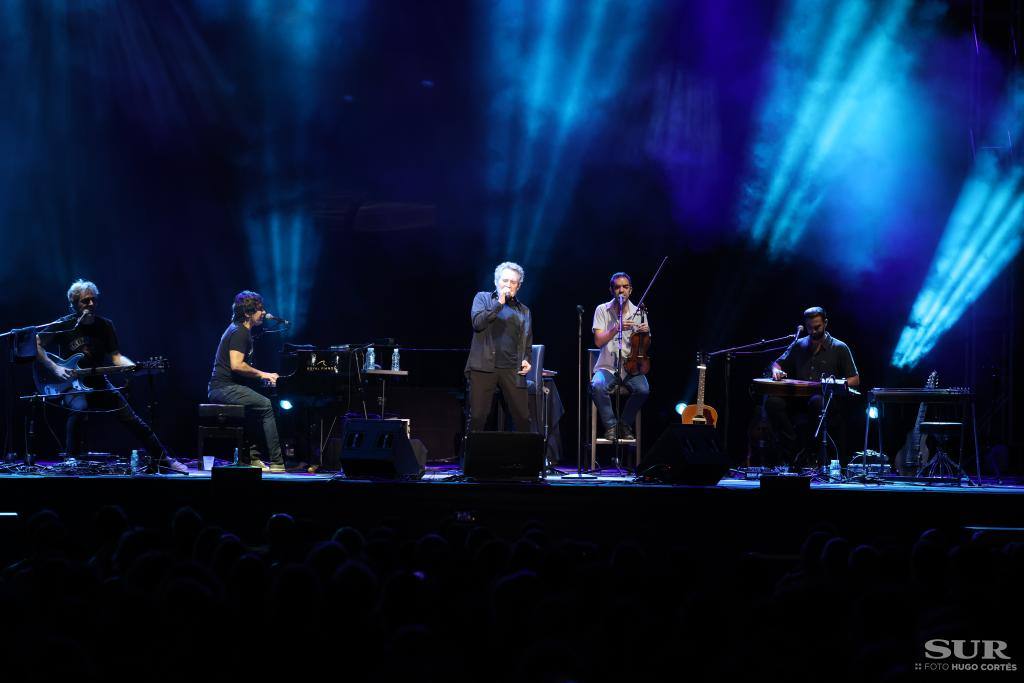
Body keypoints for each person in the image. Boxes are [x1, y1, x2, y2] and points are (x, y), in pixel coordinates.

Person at [35, 279, 187, 474]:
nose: (91, 304)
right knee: (79, 408)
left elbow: (116, 358)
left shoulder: (105, 326)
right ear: (73, 304)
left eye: (93, 300)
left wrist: (133, 367)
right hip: (71, 383)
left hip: (98, 381)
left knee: (131, 417)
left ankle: (162, 458)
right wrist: (54, 367)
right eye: (85, 301)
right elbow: (36, 342)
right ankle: (71, 459)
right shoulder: (64, 325)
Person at [766, 306, 859, 465]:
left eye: (817, 327)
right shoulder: (799, 345)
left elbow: (855, 379)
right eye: (809, 328)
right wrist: (776, 371)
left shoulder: (839, 347)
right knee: (772, 402)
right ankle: (793, 444)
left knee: (816, 402)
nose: (813, 331)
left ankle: (809, 450)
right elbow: (778, 363)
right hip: (798, 399)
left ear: (826, 323)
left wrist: (833, 383)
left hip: (824, 400)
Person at [207, 290, 285, 471]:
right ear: (248, 313)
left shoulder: (240, 330)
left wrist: (262, 378)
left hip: (227, 387)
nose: (264, 313)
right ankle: (277, 462)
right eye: (260, 309)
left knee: (258, 406)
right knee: (265, 405)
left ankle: (253, 458)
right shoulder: (240, 332)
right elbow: (237, 365)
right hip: (223, 388)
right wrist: (264, 374)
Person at [465, 261, 533, 433]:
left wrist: (526, 359)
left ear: (518, 286)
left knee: (523, 418)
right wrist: (499, 304)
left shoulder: (523, 311)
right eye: (505, 281)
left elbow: (527, 341)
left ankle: (521, 459)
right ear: (496, 282)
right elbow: (477, 323)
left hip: (512, 368)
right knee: (478, 417)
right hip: (483, 366)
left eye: (513, 282)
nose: (508, 285)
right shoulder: (482, 298)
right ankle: (472, 458)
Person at [591, 272, 650, 440]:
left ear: (630, 290)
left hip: (631, 366)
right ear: (611, 290)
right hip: (608, 366)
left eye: (625, 287)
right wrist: (617, 328)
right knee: (597, 385)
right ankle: (611, 426)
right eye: (617, 287)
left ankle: (624, 424)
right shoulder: (602, 310)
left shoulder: (639, 311)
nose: (621, 290)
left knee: (643, 390)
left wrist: (646, 334)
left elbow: (645, 345)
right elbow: (598, 341)